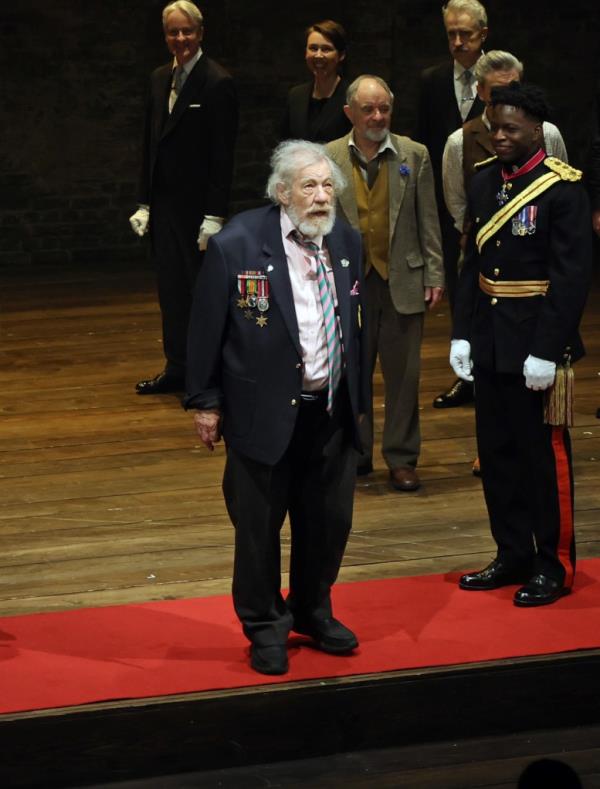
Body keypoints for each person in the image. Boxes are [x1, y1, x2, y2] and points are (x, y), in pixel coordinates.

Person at [183, 140, 369, 675]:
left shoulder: (346, 242)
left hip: (329, 410)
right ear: (282, 192)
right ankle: (265, 624)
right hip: (261, 411)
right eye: (308, 186)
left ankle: (313, 610)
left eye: (328, 185)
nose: (320, 197)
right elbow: (205, 333)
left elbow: (358, 329)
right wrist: (206, 402)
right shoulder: (237, 244)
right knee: (259, 529)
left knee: (329, 522)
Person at [452, 82, 592, 606]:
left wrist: (546, 348)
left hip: (536, 344)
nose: (501, 137)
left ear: (537, 129)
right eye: (495, 128)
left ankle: (551, 565)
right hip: (490, 342)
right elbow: (473, 263)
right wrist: (463, 334)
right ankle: (511, 553)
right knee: (498, 454)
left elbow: (572, 277)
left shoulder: (563, 190)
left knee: (542, 460)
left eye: (512, 128)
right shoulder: (485, 182)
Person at [327, 76, 444, 491]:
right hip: (348, 282)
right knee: (352, 373)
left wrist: (435, 273)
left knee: (404, 374)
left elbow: (427, 218)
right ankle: (356, 452)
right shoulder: (327, 158)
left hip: (403, 279)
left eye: (384, 109)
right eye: (368, 110)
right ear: (349, 113)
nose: (377, 117)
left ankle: (401, 456)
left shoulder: (415, 154)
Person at [130, 1, 238, 395]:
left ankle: (207, 375)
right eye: (173, 33)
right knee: (171, 293)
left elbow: (222, 156)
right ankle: (177, 368)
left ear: (200, 32)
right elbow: (149, 144)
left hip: (197, 212)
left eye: (186, 32)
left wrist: (215, 215)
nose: (180, 39)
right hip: (164, 210)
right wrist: (144, 201)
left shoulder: (217, 82)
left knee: (202, 295)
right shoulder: (159, 78)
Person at [415, 0, 488, 409]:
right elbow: (425, 144)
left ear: (483, 35)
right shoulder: (432, 80)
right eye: (451, 35)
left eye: (466, 34)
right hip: (446, 204)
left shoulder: (498, 76)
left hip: (491, 201)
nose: (458, 42)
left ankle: (494, 371)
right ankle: (467, 376)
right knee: (460, 294)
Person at [443, 50, 568, 243]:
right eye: (497, 91)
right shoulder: (460, 141)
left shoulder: (547, 133)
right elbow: (457, 203)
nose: (508, 96)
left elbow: (562, 190)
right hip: (483, 245)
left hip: (539, 245)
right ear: (481, 91)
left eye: (514, 87)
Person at [280, 20, 352, 144]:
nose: (318, 55)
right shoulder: (296, 95)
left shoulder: (352, 97)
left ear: (341, 55)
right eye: (313, 48)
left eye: (326, 49)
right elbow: (285, 143)